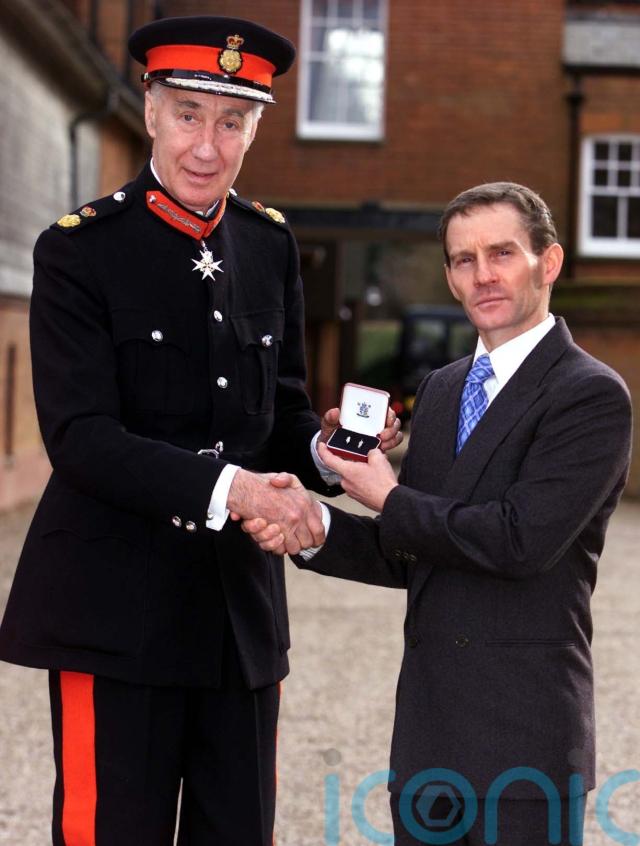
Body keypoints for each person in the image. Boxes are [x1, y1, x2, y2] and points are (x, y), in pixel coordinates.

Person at [0, 15, 402, 846]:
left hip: (237, 619)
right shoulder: (79, 251)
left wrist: (326, 453)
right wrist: (237, 490)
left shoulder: (269, 244)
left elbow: (280, 413)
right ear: (150, 109)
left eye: (232, 121)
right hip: (112, 614)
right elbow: (81, 437)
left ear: (255, 128)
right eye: (189, 114)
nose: (207, 147)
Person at [242, 182, 633, 845]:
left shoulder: (590, 395)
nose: (483, 275)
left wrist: (388, 495)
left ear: (549, 262)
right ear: (450, 277)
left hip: (525, 745)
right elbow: (412, 549)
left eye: (502, 253)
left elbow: (518, 541)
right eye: (463, 259)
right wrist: (311, 526)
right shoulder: (444, 389)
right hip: (428, 741)